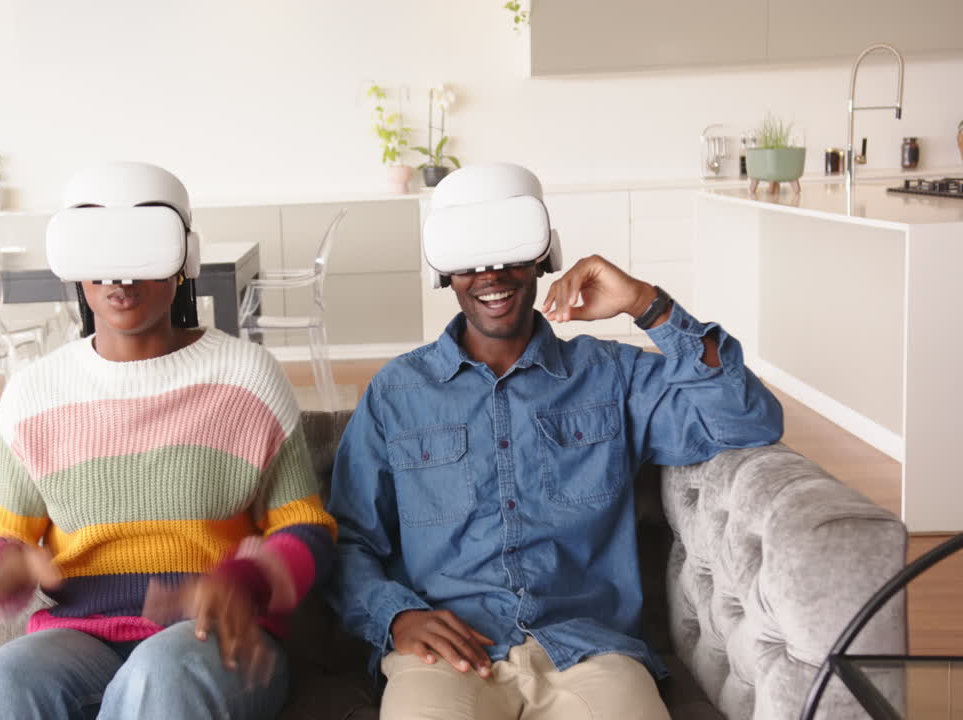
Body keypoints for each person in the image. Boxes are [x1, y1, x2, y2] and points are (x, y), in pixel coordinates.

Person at [325, 163, 783, 720]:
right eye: (470, 259)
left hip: (591, 650)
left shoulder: (610, 375)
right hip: (445, 655)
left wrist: (647, 304)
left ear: (545, 254)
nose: (491, 274)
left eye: (510, 252)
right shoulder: (397, 393)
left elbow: (747, 418)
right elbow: (349, 540)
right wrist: (396, 617)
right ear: (443, 271)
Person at [0, 162, 337, 720]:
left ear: (184, 261)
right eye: (99, 253)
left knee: (160, 675)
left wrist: (245, 581)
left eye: (140, 250)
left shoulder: (247, 379)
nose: (118, 275)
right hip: (80, 635)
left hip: (209, 637)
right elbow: (0, 535)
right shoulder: (34, 394)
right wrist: (0, 568)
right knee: (3, 682)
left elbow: (307, 529)